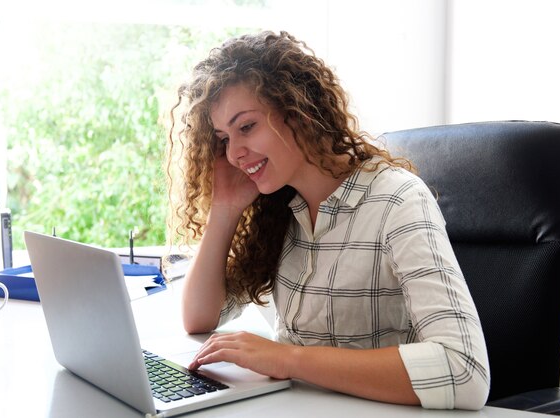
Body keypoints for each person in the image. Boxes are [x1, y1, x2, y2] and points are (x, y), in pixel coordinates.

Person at [167, 30, 490, 410]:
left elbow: (464, 371)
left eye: (247, 127)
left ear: (298, 112)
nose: (235, 152)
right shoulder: (280, 208)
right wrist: (224, 210)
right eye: (224, 138)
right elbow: (199, 318)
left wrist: (285, 359)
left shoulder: (398, 201)